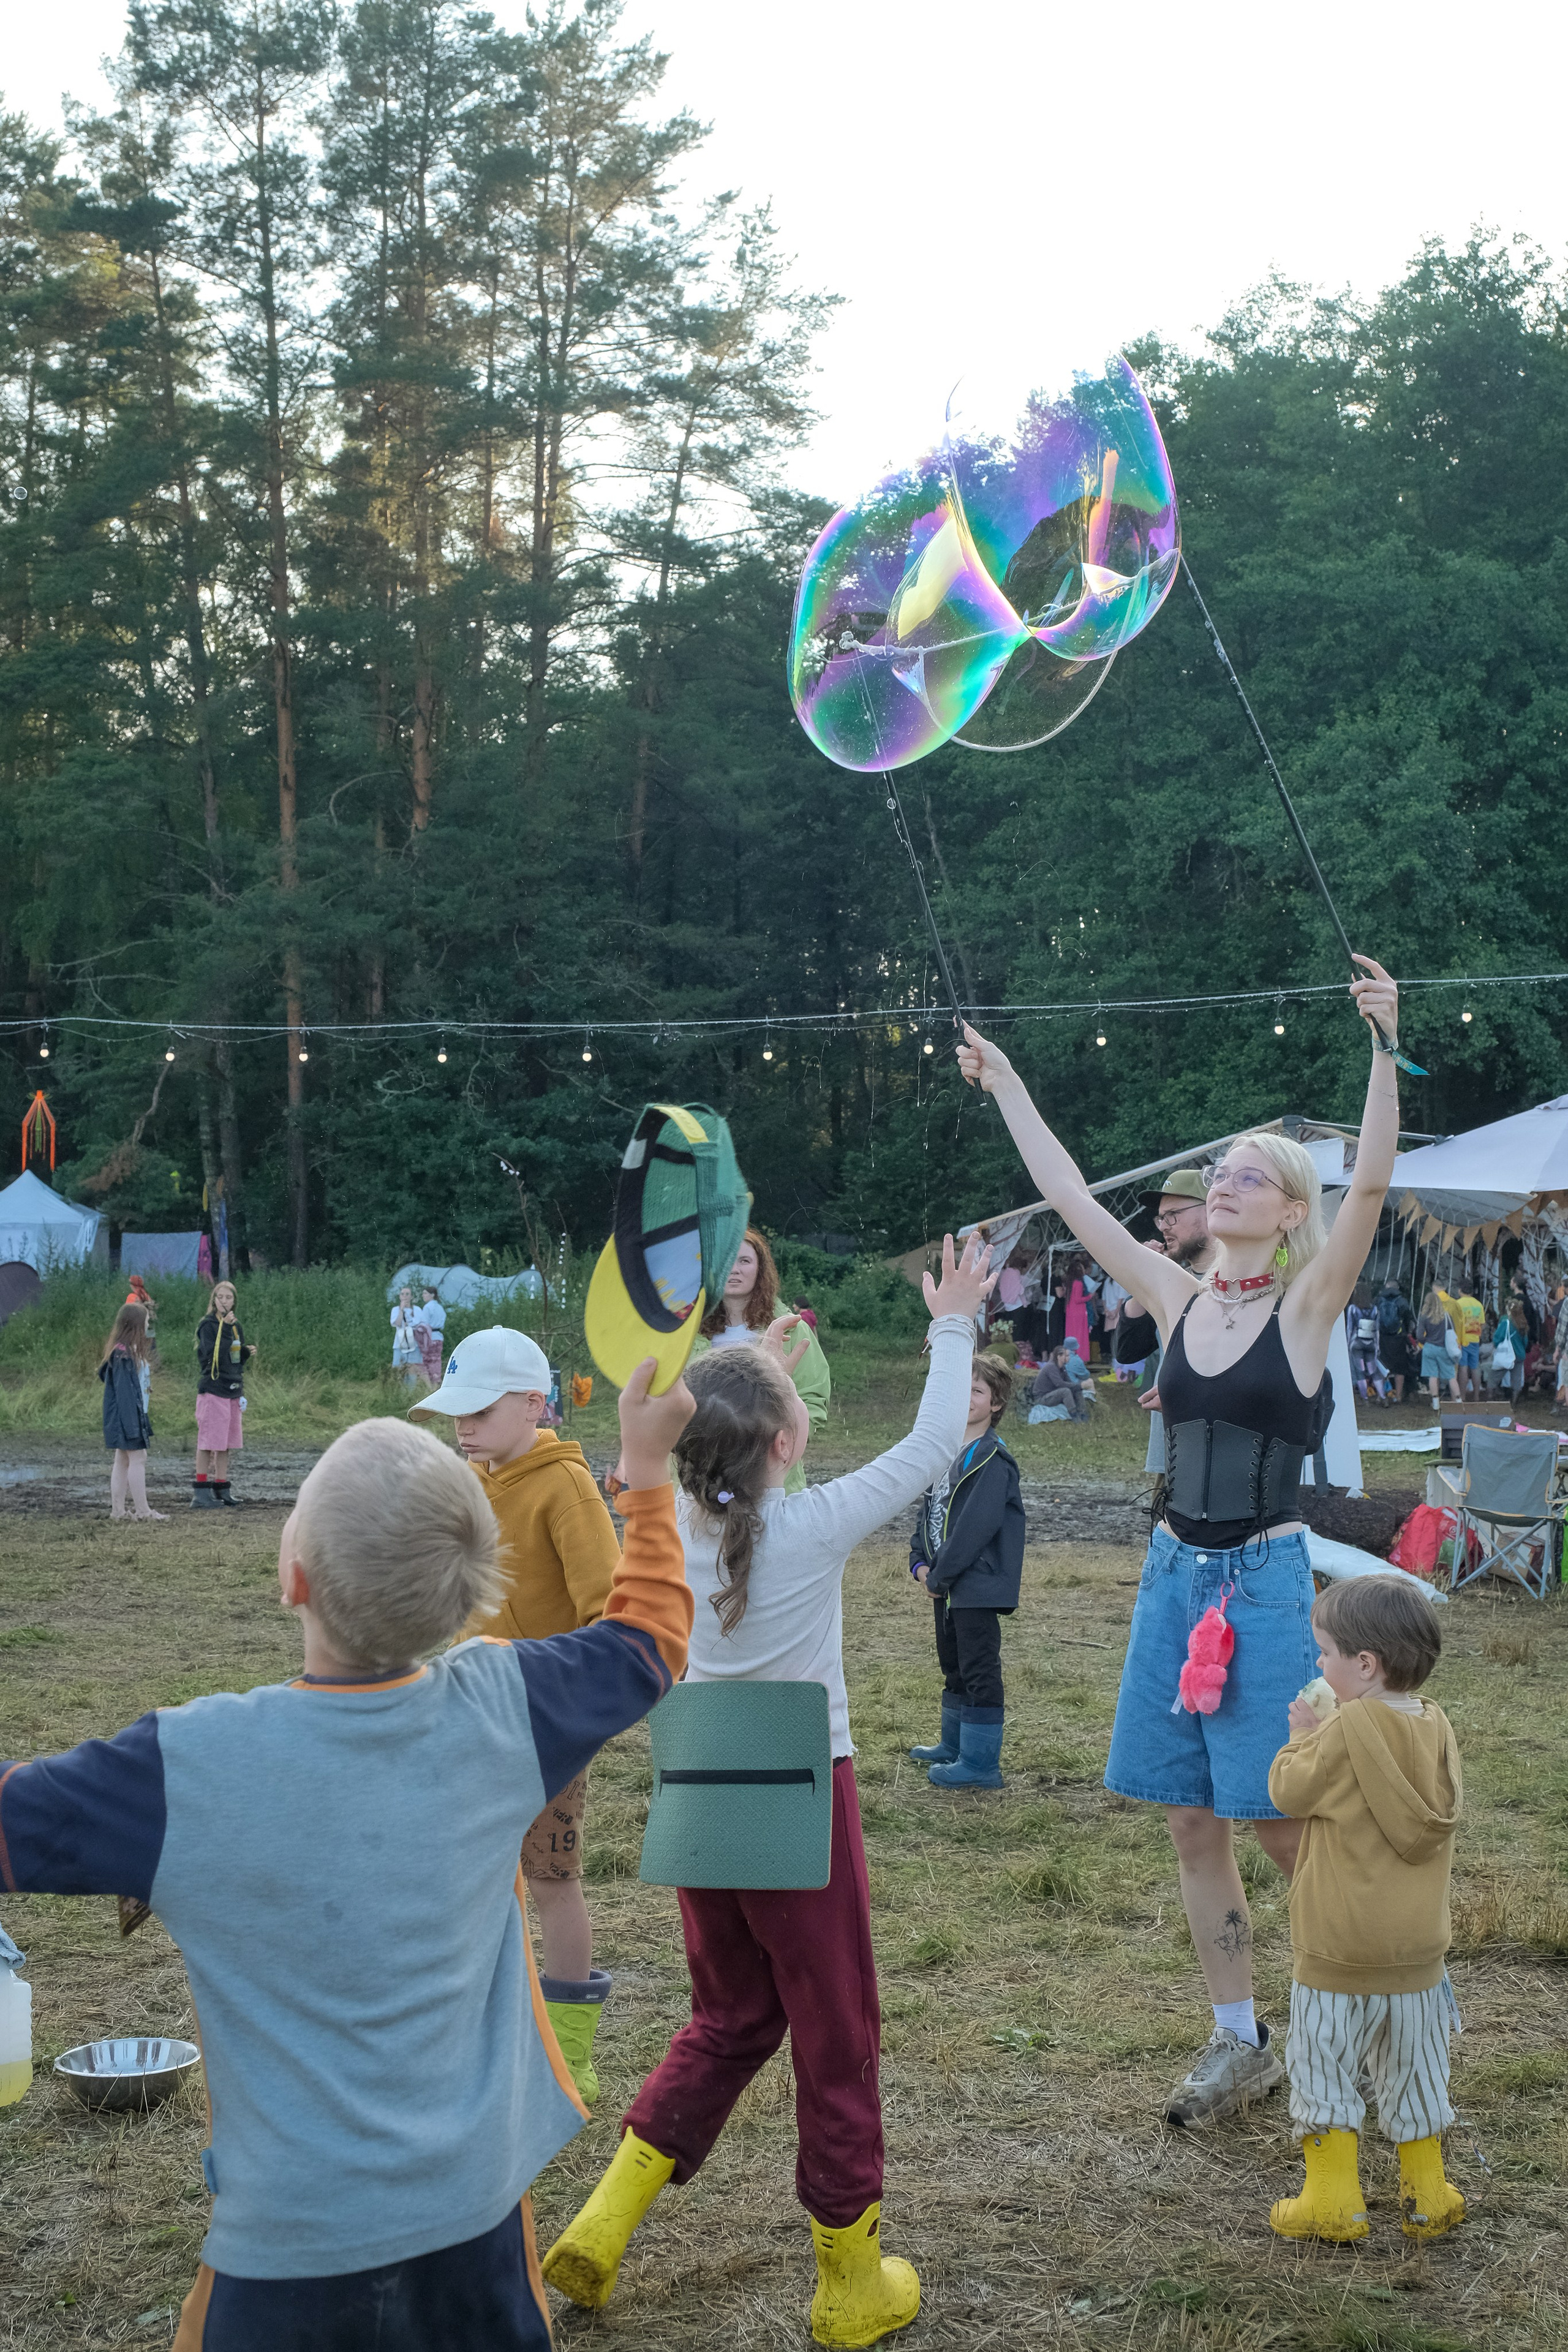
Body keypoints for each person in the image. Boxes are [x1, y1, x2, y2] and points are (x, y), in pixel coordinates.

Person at [0, 1371, 694, 2352]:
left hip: (286, 2258)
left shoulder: (182, 1768)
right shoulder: (508, 1708)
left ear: (293, 1577)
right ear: (467, 1600)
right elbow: (648, 1638)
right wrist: (651, 1470)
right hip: (480, 2229)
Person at [957, 953, 1404, 2128]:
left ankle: (1356, 2008)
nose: (1225, 1184)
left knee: (1273, 1815)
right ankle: (1236, 2038)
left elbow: (1365, 1192)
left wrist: (1382, 1050)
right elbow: (1071, 1202)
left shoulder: (1307, 1306)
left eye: (1252, 1177)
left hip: (1262, 1578)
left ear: (1288, 1211)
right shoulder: (1173, 1293)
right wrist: (1008, 1085)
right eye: (1221, 1174)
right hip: (1171, 1577)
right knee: (1189, 1816)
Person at [541, 1235, 997, 2346]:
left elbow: (705, 1437)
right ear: (791, 1442)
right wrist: (954, 1320)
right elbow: (939, 1439)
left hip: (696, 1784)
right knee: (833, 2035)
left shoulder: (650, 1522)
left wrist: (752, 1369)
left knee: (728, 2017)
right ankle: (849, 2282)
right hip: (801, 1787)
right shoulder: (810, 1525)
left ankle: (600, 2227)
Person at [411, 1327, 624, 2103]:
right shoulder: (472, 1476)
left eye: (479, 1408)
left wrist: (567, 1706)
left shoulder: (565, 1488)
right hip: (464, 1710)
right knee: (470, 1876)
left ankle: (568, 2051)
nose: (461, 1424)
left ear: (536, 1404)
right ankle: (480, 2033)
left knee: (550, 1879)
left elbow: (610, 1609)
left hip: (543, 1723)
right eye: (454, 1409)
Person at [1267, 1577, 1463, 2245]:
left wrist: (1300, 1737)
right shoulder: (1435, 1723)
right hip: (1418, 1954)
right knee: (1414, 2067)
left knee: (1323, 2063)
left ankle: (1331, 2201)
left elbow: (1288, 1793)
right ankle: (1426, 2195)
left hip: (1337, 1948)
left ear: (1364, 1665)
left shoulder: (1342, 1727)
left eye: (1324, 1654)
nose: (1318, 1665)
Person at [908, 1351, 1025, 1787]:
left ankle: (981, 1764)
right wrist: (919, 1563)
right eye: (961, 1389)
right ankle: (954, 1745)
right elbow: (929, 1515)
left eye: (976, 1391)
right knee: (953, 1664)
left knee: (979, 1670)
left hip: (973, 1585)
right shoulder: (944, 1453)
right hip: (945, 1585)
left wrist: (940, 1577)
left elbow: (976, 1527)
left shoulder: (992, 1460)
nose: (967, 1398)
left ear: (995, 1403)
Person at [695, 1227, 831, 1494]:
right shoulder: (685, 1332)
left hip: (771, 1478)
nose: (733, 1269)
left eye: (744, 1261)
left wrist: (781, 1446)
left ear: (760, 1269)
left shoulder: (792, 1328)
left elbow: (814, 1399)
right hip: (700, 1478)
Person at [100, 1302, 165, 1522]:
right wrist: (132, 1426)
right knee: (138, 1458)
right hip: (127, 1417)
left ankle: (118, 1511)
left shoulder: (130, 1351)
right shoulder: (123, 1355)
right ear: (136, 1325)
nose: (148, 1326)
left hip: (128, 1415)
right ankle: (143, 1511)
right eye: (146, 1322)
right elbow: (124, 1393)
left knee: (123, 1460)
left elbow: (152, 1354)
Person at [194, 1280, 254, 1510]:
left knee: (226, 1443)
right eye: (221, 1297)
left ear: (234, 1301)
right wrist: (226, 1329)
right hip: (213, 1388)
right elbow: (212, 1354)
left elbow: (233, 1356)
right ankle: (200, 1493)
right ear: (214, 1300)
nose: (225, 1302)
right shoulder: (208, 1325)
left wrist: (246, 1353)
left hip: (232, 1389)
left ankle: (222, 1487)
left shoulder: (236, 1325)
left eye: (229, 1298)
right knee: (208, 1441)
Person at [1438, 1283, 1485, 1402]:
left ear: (1460, 1291)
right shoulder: (1478, 1304)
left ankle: (1462, 1396)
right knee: (1475, 1367)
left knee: (1463, 1367)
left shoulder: (1458, 1304)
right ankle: (1477, 1396)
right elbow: (1482, 1324)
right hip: (1475, 1339)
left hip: (1462, 1340)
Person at [1417, 1287, 1461, 1410]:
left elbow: (1419, 1336)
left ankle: (1436, 1404)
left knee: (1433, 1376)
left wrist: (1427, 1342)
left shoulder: (1424, 1317)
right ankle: (1459, 1402)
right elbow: (1453, 1332)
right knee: (1451, 1376)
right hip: (1443, 1349)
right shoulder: (1446, 1316)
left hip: (1429, 1348)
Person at [1375, 1279, 1417, 1405]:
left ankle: (1380, 1396)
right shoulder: (1402, 1301)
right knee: (1400, 1368)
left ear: (1386, 1287)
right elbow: (1409, 1319)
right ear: (1397, 1288)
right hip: (1398, 1337)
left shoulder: (1378, 1300)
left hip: (1382, 1338)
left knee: (1382, 1368)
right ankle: (1398, 1396)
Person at [1346, 1289, 1388, 1404]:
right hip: (1371, 1344)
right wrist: (1377, 1346)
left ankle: (1365, 1399)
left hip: (1356, 1344)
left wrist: (1348, 1343)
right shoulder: (1375, 1309)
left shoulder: (1353, 1308)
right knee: (1373, 1371)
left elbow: (1350, 1327)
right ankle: (1383, 1397)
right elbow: (1377, 1330)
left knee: (1360, 1372)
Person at [1488, 1290, 1530, 1404]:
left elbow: (1498, 1337)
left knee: (1494, 1376)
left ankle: (1491, 1399)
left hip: (1506, 1354)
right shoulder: (1522, 1322)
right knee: (1516, 1379)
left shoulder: (1506, 1321)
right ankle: (1514, 1402)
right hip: (1519, 1355)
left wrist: (1496, 1346)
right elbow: (1525, 1341)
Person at [1028, 1346, 1082, 1422]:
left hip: (1051, 1394)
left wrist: (1079, 1386)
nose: (1069, 1357)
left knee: (1077, 1388)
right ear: (1059, 1357)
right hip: (1042, 1398)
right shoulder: (1051, 1367)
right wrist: (1079, 1385)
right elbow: (1059, 1384)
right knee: (1065, 1391)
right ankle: (1074, 1415)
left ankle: (1082, 1413)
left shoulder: (1062, 1368)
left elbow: (1069, 1382)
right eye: (1066, 1356)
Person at [390, 1285, 426, 1390]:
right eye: (402, 1294)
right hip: (400, 1344)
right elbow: (396, 1323)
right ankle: (397, 1392)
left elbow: (422, 1325)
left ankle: (410, 1394)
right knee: (398, 1369)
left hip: (414, 1344)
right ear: (399, 1296)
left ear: (411, 1297)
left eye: (407, 1294)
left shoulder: (418, 1310)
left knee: (413, 1370)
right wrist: (401, 1310)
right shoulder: (395, 1309)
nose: (405, 1296)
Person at [414, 1282, 447, 1387]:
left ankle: (429, 1386)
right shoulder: (440, 1308)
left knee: (424, 1361)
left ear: (432, 1295)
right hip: (439, 1337)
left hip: (429, 1337)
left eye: (425, 1293)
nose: (424, 1296)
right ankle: (437, 1382)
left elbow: (425, 1325)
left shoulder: (427, 1308)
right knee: (436, 1361)